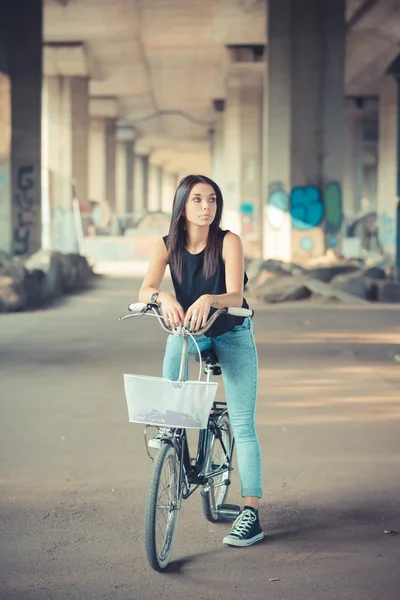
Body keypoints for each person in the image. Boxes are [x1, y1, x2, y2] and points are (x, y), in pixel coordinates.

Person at [138, 174, 263, 548]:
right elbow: (145, 288)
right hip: (195, 332)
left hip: (233, 331)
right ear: (182, 205)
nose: (206, 207)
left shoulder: (228, 241)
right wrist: (162, 298)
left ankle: (250, 513)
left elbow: (237, 296)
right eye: (197, 200)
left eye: (211, 200)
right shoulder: (166, 246)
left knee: (243, 423)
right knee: (175, 342)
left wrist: (212, 297)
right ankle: (170, 423)